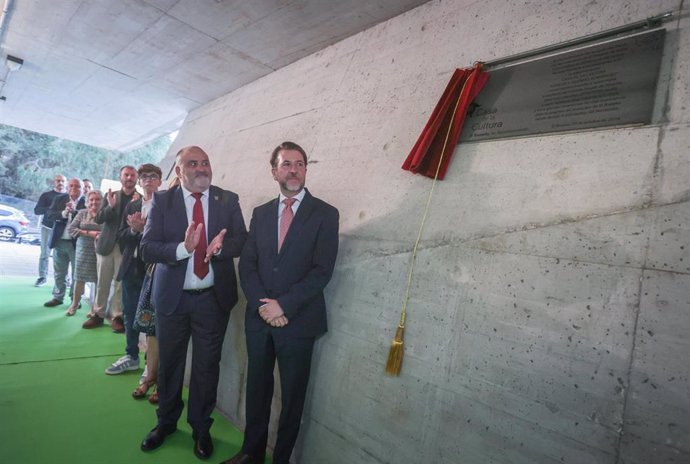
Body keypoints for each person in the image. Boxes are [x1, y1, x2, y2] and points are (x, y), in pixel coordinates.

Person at [221, 142, 339, 464]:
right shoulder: (260, 214)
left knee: (292, 397)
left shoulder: (326, 214)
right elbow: (248, 265)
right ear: (274, 171)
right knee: (257, 390)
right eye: (286, 164)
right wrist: (264, 306)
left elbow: (322, 271)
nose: (293, 170)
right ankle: (251, 453)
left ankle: (281, 459)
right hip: (260, 320)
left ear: (305, 169)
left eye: (299, 164)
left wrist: (282, 306)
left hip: (298, 322)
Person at [139, 146, 247, 460]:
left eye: (205, 162)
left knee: (206, 367)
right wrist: (184, 249)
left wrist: (221, 248)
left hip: (212, 300)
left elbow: (242, 238)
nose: (201, 168)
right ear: (179, 170)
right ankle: (166, 422)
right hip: (172, 299)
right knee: (171, 364)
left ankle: (201, 427)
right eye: (192, 163)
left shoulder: (227, 199)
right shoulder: (162, 201)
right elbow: (147, 248)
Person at [105, 164, 162, 376]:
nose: (148, 180)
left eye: (153, 176)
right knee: (129, 314)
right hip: (132, 268)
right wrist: (133, 230)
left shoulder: (167, 206)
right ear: (140, 181)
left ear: (160, 181)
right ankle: (131, 356)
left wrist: (143, 231)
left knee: (153, 318)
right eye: (144, 176)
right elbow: (121, 237)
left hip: (155, 271)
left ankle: (151, 363)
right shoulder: (132, 206)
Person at [83, 166, 139, 332]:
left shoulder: (140, 199)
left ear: (136, 179)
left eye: (132, 175)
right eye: (126, 175)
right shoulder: (111, 196)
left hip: (125, 247)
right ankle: (98, 314)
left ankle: (117, 316)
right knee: (102, 282)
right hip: (107, 245)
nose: (129, 178)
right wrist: (111, 206)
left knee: (120, 284)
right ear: (121, 177)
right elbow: (99, 218)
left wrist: (137, 205)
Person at [43, 178, 86, 307]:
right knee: (59, 272)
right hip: (59, 241)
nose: (73, 188)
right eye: (71, 185)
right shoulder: (60, 199)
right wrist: (63, 213)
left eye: (77, 186)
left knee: (76, 274)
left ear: (82, 189)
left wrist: (74, 212)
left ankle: (75, 299)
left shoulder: (87, 201)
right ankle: (57, 296)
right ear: (67, 188)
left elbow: (90, 217)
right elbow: (49, 215)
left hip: (77, 244)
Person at [65, 190, 103, 316]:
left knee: (99, 281)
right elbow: (71, 228)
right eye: (91, 199)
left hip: (100, 251)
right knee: (79, 278)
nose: (94, 202)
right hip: (82, 250)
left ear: (102, 201)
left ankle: (94, 308)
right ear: (87, 201)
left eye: (97, 199)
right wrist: (89, 233)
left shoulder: (106, 214)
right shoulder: (82, 213)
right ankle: (74, 304)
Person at [33, 174, 66, 287]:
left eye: (62, 181)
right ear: (54, 182)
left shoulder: (68, 196)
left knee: (63, 256)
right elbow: (37, 211)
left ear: (65, 182)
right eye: (58, 180)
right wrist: (52, 209)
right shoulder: (46, 195)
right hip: (47, 228)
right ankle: (42, 277)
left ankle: (63, 280)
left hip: (62, 229)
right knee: (44, 254)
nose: (60, 183)